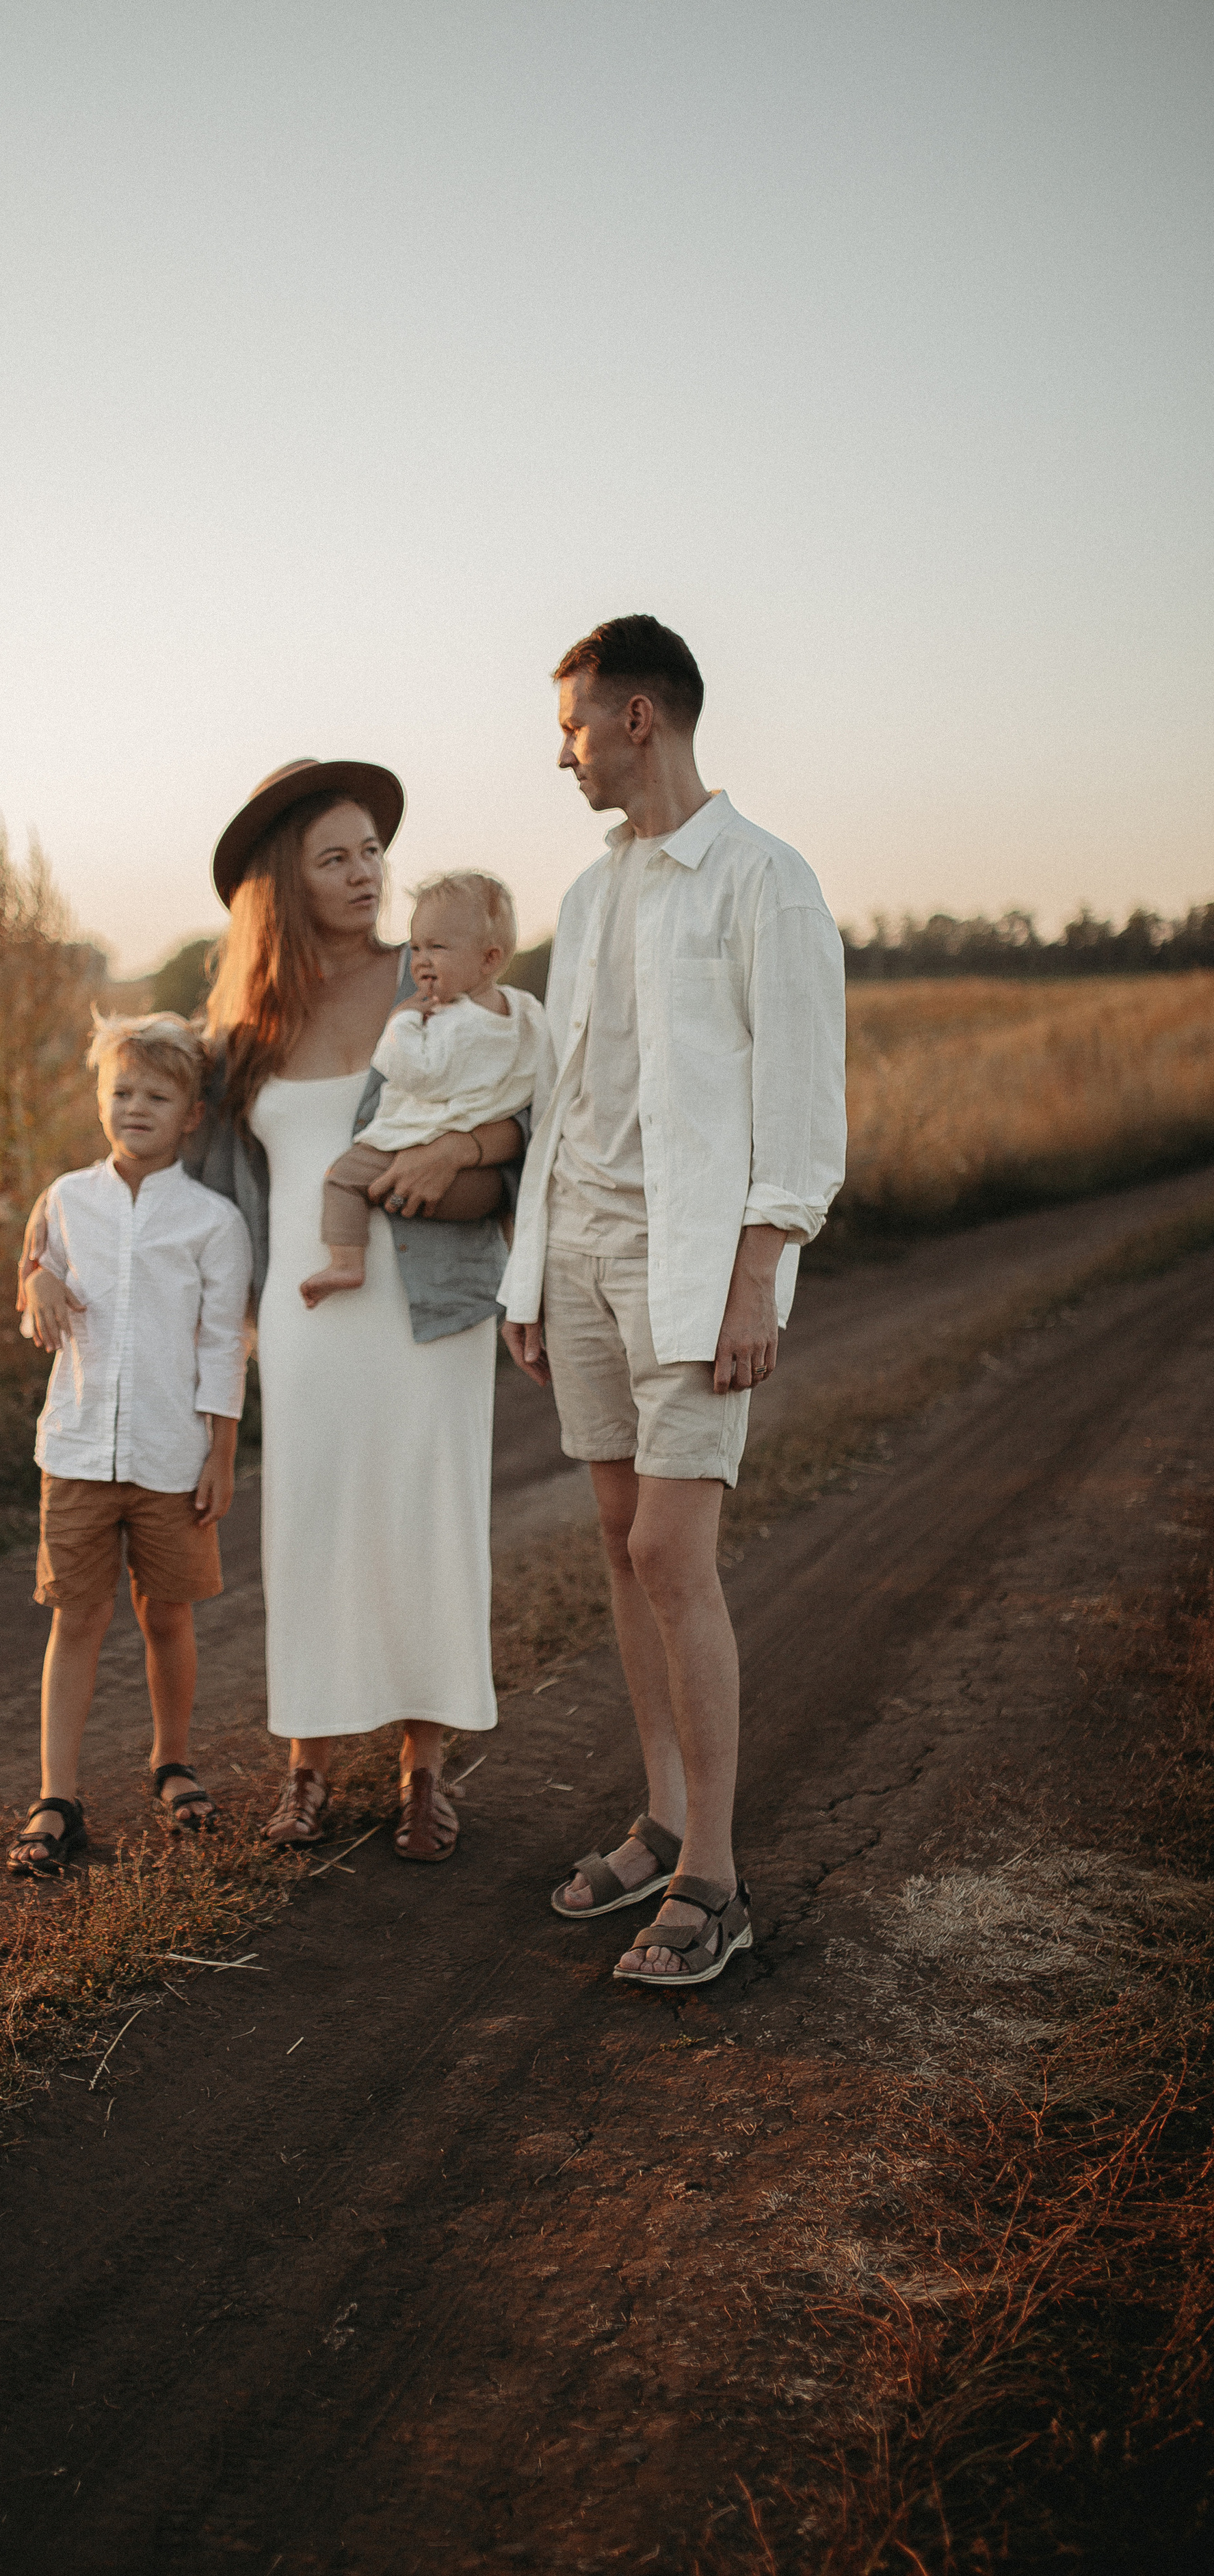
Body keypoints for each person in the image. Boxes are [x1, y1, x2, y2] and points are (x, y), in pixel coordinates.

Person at [501, 615, 846, 1986]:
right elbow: (563, 1094)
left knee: (667, 1552)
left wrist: (759, 1269)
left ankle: (713, 1871)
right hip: (578, 1249)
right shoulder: (590, 895)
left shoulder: (764, 882)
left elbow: (800, 1101)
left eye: (574, 725)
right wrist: (530, 1270)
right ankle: (653, 1817)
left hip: (693, 1264)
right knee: (608, 1533)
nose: (563, 753)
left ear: (639, 717)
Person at [191, 759, 527, 1861]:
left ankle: (425, 1772)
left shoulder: (431, 981)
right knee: (315, 1525)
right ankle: (308, 1769)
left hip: (429, 1308)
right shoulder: (246, 1029)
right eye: (334, 858)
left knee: (426, 1521)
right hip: (305, 1316)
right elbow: (197, 1192)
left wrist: (466, 1149)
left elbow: (527, 1113)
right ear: (284, 883)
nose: (364, 874)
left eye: (371, 851)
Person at [6, 1011, 252, 1878]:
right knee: (76, 1618)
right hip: (74, 1450)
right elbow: (34, 1281)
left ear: (192, 1114)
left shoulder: (213, 1222)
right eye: (121, 1092)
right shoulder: (66, 1199)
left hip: (170, 1455)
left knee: (168, 1614)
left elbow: (224, 1344)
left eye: (157, 1094)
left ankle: (171, 1761)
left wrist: (221, 1454)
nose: (135, 1107)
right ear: (98, 1100)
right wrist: (34, 1279)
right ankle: (55, 1795)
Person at [302, 870, 548, 1309]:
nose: (421, 961)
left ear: (489, 959)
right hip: (480, 1182)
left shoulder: (451, 1020)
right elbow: (538, 1076)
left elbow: (419, 1075)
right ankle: (522, 1275)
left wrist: (402, 1023)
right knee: (505, 1210)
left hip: (413, 1145)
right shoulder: (524, 1011)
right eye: (416, 947)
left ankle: (345, 1262)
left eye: (437, 947)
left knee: (341, 1180)